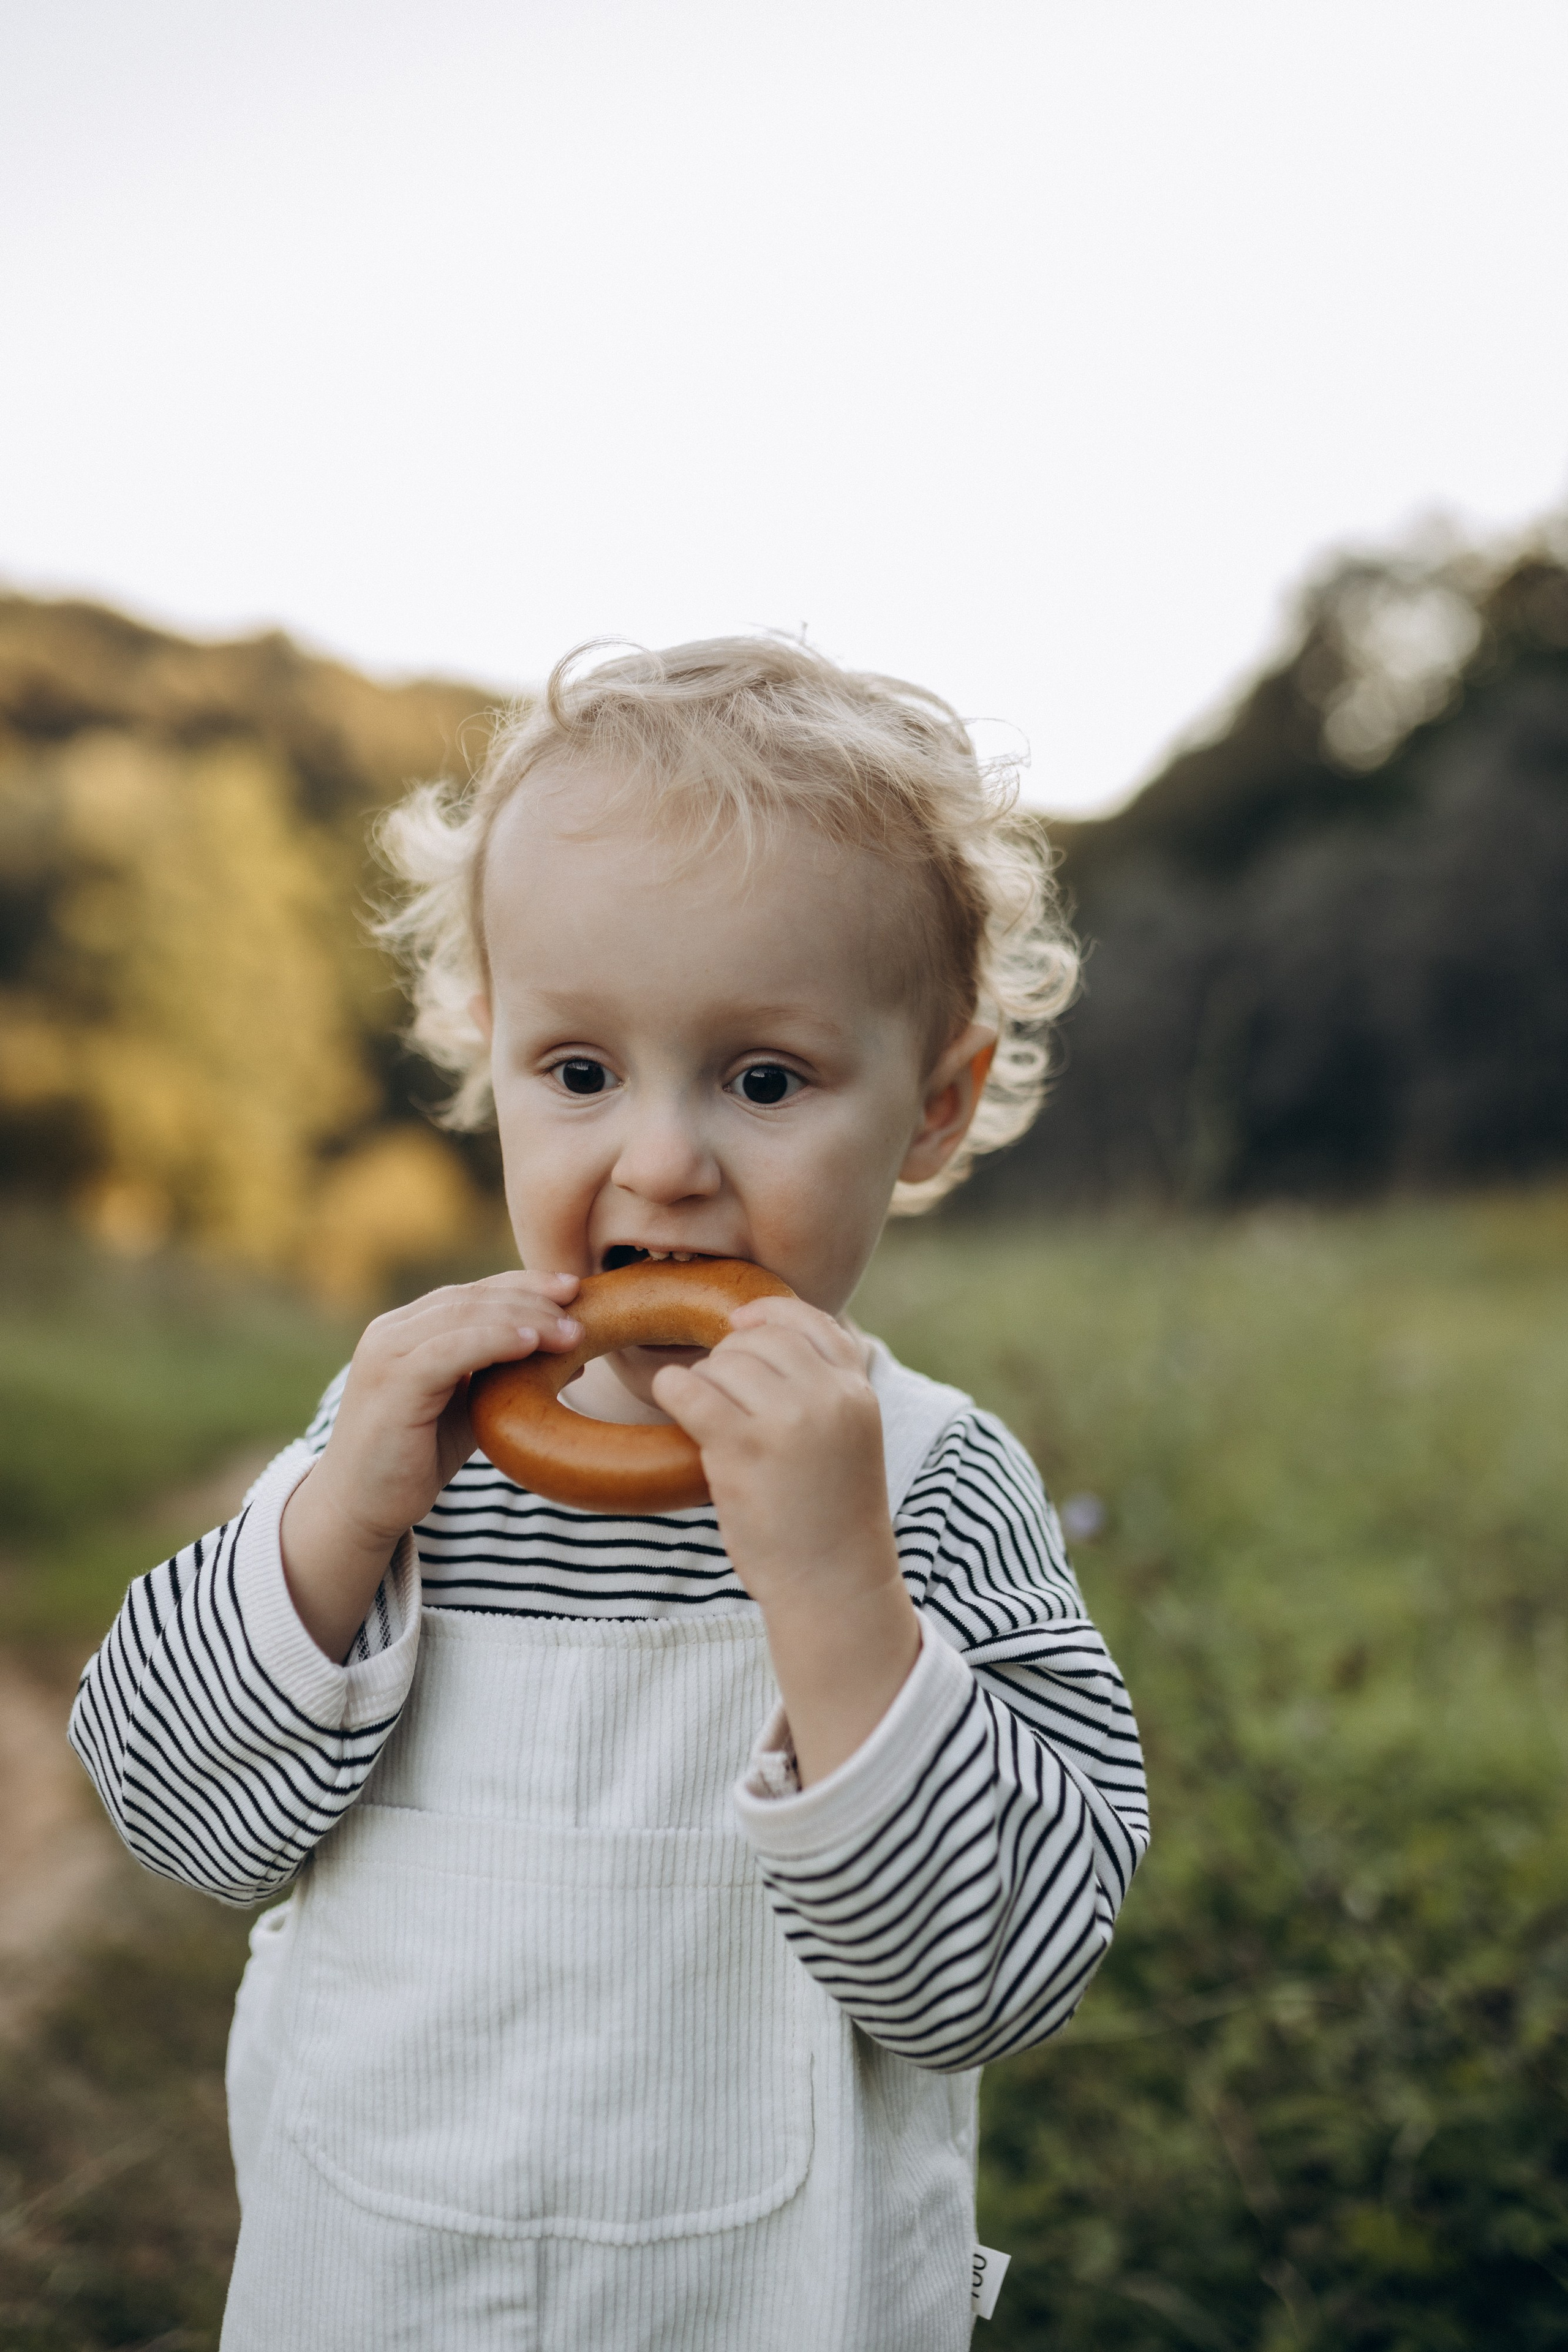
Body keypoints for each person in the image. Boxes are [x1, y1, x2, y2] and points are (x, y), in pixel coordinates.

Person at [70, 638, 1149, 2351]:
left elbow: (997, 1978)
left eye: (765, 1078)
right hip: (375, 2297)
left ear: (932, 1108)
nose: (659, 1162)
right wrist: (332, 1525)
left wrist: (835, 1595)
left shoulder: (935, 1487)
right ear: (489, 1062)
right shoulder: (400, 1454)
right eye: (580, 1073)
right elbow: (173, 1818)